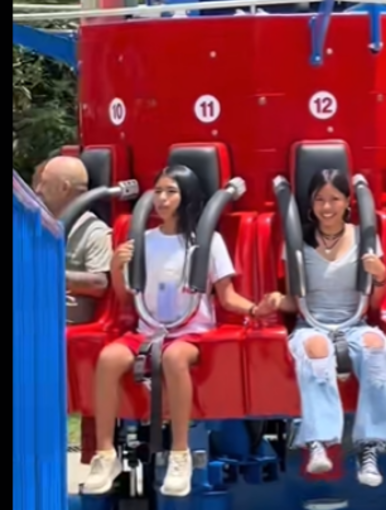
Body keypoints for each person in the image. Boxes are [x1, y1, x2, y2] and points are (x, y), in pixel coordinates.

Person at [82, 165, 265, 497]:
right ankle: (105, 453)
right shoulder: (143, 241)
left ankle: (179, 452)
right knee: (109, 359)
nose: (162, 199)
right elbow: (127, 298)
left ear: (187, 197)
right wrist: (116, 266)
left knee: (175, 357)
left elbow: (226, 295)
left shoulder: (208, 242)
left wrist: (254, 309)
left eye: (171, 192)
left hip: (191, 331)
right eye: (159, 191)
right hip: (148, 328)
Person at [255, 169, 386, 487]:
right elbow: (297, 301)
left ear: (348, 202)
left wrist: (380, 276)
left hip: (355, 322)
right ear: (310, 204)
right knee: (316, 350)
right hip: (311, 323)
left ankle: (369, 446)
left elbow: (374, 303)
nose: (327, 206)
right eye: (320, 199)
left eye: (334, 198)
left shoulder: (365, 238)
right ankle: (319, 441)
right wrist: (278, 301)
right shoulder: (298, 243)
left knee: (376, 348)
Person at [35, 156, 113, 325]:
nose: (38, 190)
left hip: (60, 319)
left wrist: (53, 275)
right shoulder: (40, 225)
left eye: (44, 183)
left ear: (64, 188)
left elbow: (100, 283)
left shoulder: (94, 231)